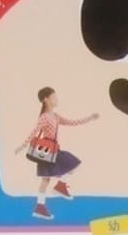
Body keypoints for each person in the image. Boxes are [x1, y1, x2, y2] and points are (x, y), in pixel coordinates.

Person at [14, 86, 99, 220]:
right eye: (54, 97)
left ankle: (57, 189)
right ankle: (42, 205)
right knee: (46, 179)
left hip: (54, 151)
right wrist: (22, 146)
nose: (56, 99)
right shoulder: (44, 117)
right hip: (47, 152)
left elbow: (72, 122)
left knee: (68, 168)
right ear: (46, 99)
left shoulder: (55, 116)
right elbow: (34, 132)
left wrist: (89, 118)